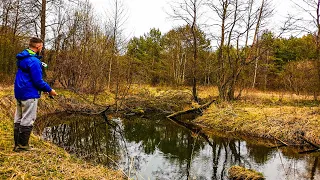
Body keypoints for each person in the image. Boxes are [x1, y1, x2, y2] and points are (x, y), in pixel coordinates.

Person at [13, 37, 57, 151]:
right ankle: (22, 146)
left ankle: (17, 144)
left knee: (19, 118)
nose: (42, 48)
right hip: (29, 93)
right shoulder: (34, 61)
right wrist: (50, 89)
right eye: (41, 46)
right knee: (28, 119)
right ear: (38, 47)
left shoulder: (23, 58)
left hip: (19, 91)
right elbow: (38, 81)